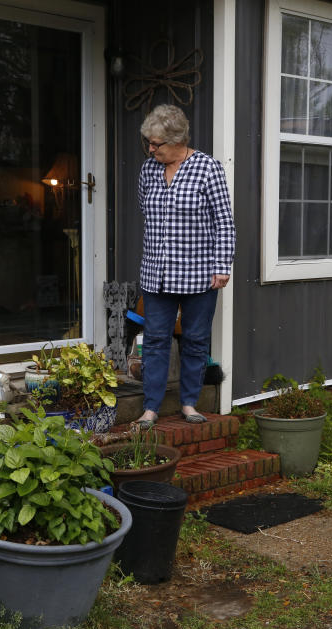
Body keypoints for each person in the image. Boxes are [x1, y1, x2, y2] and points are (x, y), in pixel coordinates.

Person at [134, 104, 235, 428]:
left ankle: (189, 403)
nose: (151, 149)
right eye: (148, 142)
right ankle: (151, 407)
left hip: (199, 274)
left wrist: (222, 266)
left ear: (177, 140)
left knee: (194, 339)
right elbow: (144, 209)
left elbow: (224, 223)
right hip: (157, 273)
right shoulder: (148, 170)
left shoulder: (208, 168)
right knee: (155, 339)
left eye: (156, 143)